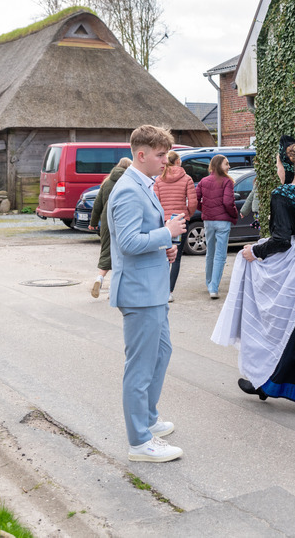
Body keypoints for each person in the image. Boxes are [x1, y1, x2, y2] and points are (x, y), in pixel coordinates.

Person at [211, 136, 295, 417]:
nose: (277, 169)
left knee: (280, 324)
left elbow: (281, 240)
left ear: (289, 167)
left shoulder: (282, 195)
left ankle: (264, 381)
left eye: (278, 164)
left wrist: (255, 252)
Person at [107, 125, 187, 463]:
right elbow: (126, 243)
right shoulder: (128, 190)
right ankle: (139, 442)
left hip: (153, 288)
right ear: (141, 154)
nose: (165, 162)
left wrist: (163, 246)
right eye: (159, 155)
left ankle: (150, 420)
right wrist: (166, 233)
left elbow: (142, 237)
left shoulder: (144, 185)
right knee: (139, 368)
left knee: (161, 354)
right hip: (139, 293)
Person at [153, 151, 196, 303]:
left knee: (161, 255)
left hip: (163, 222)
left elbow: (155, 202)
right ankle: (169, 291)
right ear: (178, 161)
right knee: (176, 258)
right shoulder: (187, 179)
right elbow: (192, 202)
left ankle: (160, 289)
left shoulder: (158, 179)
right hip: (180, 221)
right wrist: (187, 214)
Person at [88, 157, 132, 298]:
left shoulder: (106, 183)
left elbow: (97, 205)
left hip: (107, 221)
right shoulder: (128, 181)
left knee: (107, 251)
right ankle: (114, 289)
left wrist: (93, 223)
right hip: (123, 220)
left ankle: (99, 278)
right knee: (121, 256)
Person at [196, 154, 238, 299]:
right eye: (226, 164)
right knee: (220, 255)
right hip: (223, 221)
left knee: (210, 253)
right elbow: (228, 203)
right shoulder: (227, 181)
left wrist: (205, 210)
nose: (229, 166)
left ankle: (209, 283)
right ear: (219, 165)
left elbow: (195, 200)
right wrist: (234, 214)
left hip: (208, 221)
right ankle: (213, 287)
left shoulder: (203, 181)